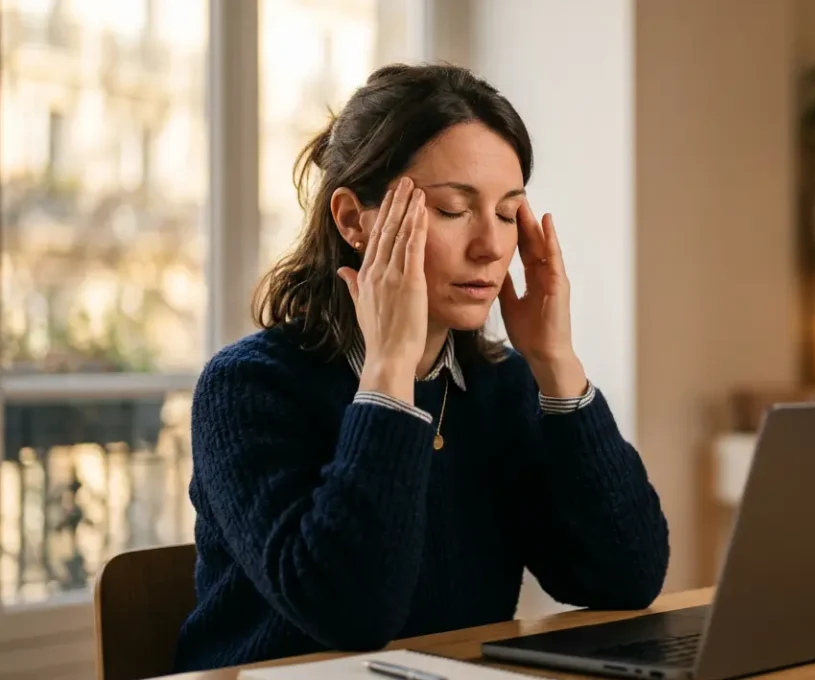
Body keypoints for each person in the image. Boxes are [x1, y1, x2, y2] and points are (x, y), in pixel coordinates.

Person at [172, 63, 670, 672]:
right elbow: (351, 614)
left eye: (509, 213)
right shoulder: (248, 387)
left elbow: (627, 577)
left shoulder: (500, 385)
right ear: (355, 219)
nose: (491, 245)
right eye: (454, 210)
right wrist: (388, 373)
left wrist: (556, 364)